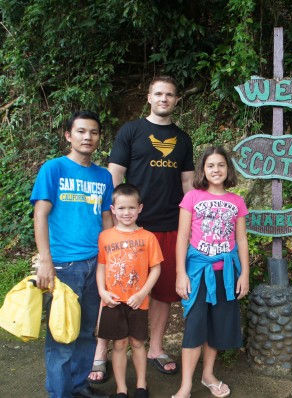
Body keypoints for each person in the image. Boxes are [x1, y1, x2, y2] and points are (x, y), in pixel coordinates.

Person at [89, 75, 194, 382]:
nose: (164, 99)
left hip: (168, 226)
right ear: (149, 97)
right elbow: (114, 177)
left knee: (162, 294)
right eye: (158, 93)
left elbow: (188, 184)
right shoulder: (131, 131)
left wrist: (190, 224)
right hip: (130, 228)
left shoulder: (183, 139)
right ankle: (100, 353)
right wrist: (116, 221)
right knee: (115, 289)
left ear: (176, 100)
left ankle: (156, 349)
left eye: (170, 95)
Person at [31, 111, 113, 398]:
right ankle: (60, 393)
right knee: (61, 334)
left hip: (96, 263)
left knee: (88, 330)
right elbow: (40, 215)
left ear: (99, 137)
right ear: (68, 135)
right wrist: (45, 261)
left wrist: (110, 259)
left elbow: (106, 220)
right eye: (80, 131)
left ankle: (79, 386)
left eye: (93, 132)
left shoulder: (103, 176)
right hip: (65, 266)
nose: (87, 137)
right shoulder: (53, 169)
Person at [171, 146, 250, 398]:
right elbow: (182, 237)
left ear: (228, 169)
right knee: (194, 326)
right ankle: (185, 386)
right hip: (197, 273)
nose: (216, 170)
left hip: (225, 274)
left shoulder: (236, 201)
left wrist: (244, 273)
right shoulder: (192, 197)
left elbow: (242, 240)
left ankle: (207, 375)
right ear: (202, 170)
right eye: (210, 165)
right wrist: (180, 273)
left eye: (221, 165)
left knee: (216, 327)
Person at [96, 183, 163, 398]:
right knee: (119, 343)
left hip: (138, 301)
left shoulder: (148, 237)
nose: (127, 213)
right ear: (113, 209)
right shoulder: (105, 237)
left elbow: (156, 268)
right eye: (122, 208)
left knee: (137, 342)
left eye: (131, 208)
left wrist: (143, 293)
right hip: (112, 301)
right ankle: (121, 389)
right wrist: (102, 292)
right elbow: (101, 267)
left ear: (140, 208)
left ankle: (142, 386)